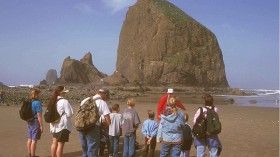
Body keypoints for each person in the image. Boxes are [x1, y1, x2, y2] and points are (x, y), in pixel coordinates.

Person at [78, 88, 111, 157]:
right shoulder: (102, 102)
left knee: (85, 149)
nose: (106, 98)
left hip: (81, 126)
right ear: (104, 94)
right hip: (93, 127)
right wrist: (105, 126)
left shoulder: (85, 100)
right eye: (107, 96)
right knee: (92, 149)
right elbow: (108, 120)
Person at [49, 86, 74, 157]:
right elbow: (69, 114)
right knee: (60, 144)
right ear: (61, 93)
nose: (65, 93)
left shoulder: (52, 101)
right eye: (64, 92)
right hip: (62, 125)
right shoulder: (64, 101)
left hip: (54, 125)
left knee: (54, 143)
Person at [26, 88, 43, 157]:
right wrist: (41, 125)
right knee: (34, 140)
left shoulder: (30, 102)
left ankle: (29, 154)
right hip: (35, 122)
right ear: (37, 94)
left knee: (29, 139)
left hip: (29, 121)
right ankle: (33, 155)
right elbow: (39, 115)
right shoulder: (37, 103)